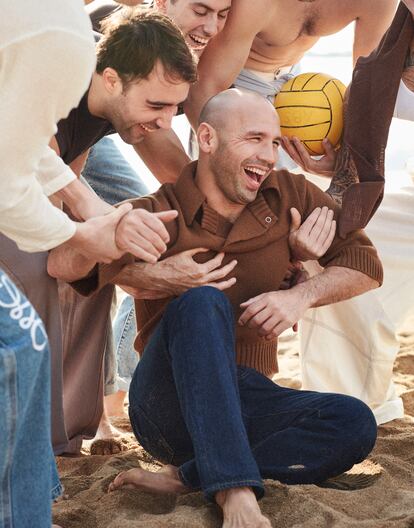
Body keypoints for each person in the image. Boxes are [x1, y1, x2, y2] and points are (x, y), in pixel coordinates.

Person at [48, 89, 382, 528]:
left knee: (354, 421)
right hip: (167, 407)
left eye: (276, 142)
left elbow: (366, 264)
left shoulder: (290, 196)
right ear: (207, 138)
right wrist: (145, 269)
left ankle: (192, 475)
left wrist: (300, 294)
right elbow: (63, 264)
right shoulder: (160, 211)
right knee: (201, 299)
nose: (269, 155)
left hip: (248, 396)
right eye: (255, 139)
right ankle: (234, 490)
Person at [0, 9, 198, 456]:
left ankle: (72, 429)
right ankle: (34, 439)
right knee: (41, 271)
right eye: (156, 105)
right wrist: (94, 218)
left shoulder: (111, 106)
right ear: (111, 79)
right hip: (10, 173)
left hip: (23, 176)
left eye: (175, 108)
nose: (166, 121)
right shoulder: (60, 72)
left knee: (90, 273)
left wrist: (93, 233)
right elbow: (34, 161)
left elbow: (72, 161)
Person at [283, 0, 414, 424]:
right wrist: (339, 163)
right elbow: (372, 118)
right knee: (338, 242)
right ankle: (346, 405)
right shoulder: (394, 50)